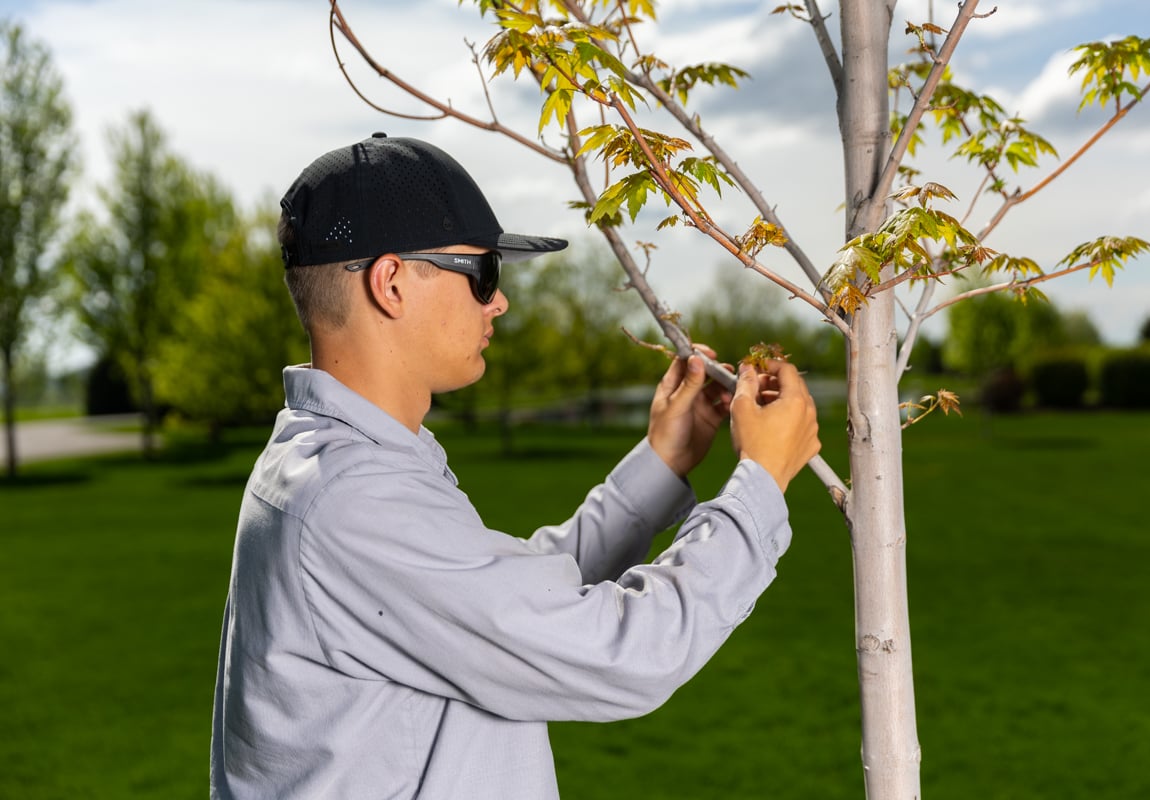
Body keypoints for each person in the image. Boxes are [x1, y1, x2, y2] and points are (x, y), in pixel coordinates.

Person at [209, 133, 821, 799]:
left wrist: (663, 460)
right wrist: (759, 481)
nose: (498, 302)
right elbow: (623, 653)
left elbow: (507, 600)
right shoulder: (353, 500)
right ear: (390, 283)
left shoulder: (331, 462)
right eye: (484, 275)